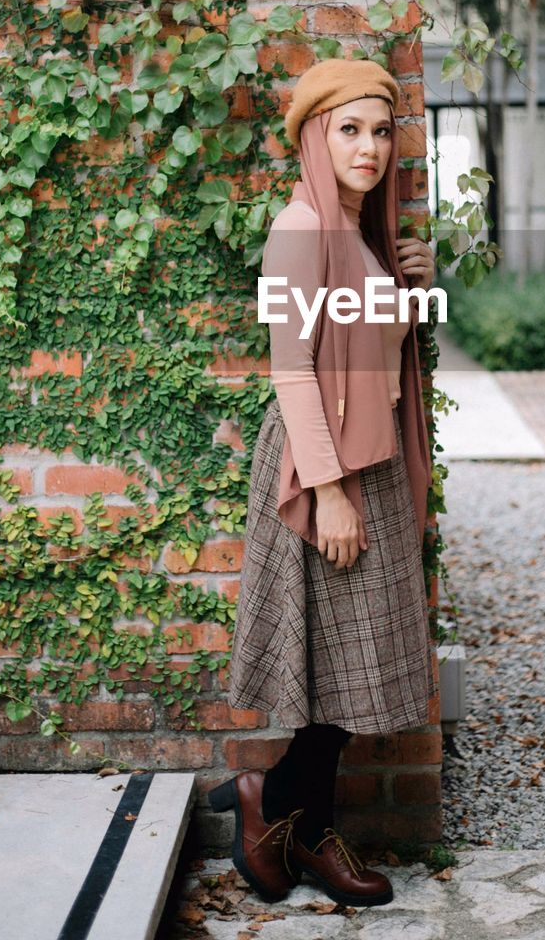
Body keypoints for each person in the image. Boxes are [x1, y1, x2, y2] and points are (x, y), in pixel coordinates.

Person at [208, 58, 436, 909]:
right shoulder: (301, 228)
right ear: (314, 136)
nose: (369, 146)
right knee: (338, 661)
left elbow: (371, 355)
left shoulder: (353, 233)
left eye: (381, 130)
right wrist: (329, 490)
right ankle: (287, 815)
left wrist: (411, 290)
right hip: (322, 467)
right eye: (349, 129)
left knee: (345, 666)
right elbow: (292, 371)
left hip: (362, 461)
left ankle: (285, 819)